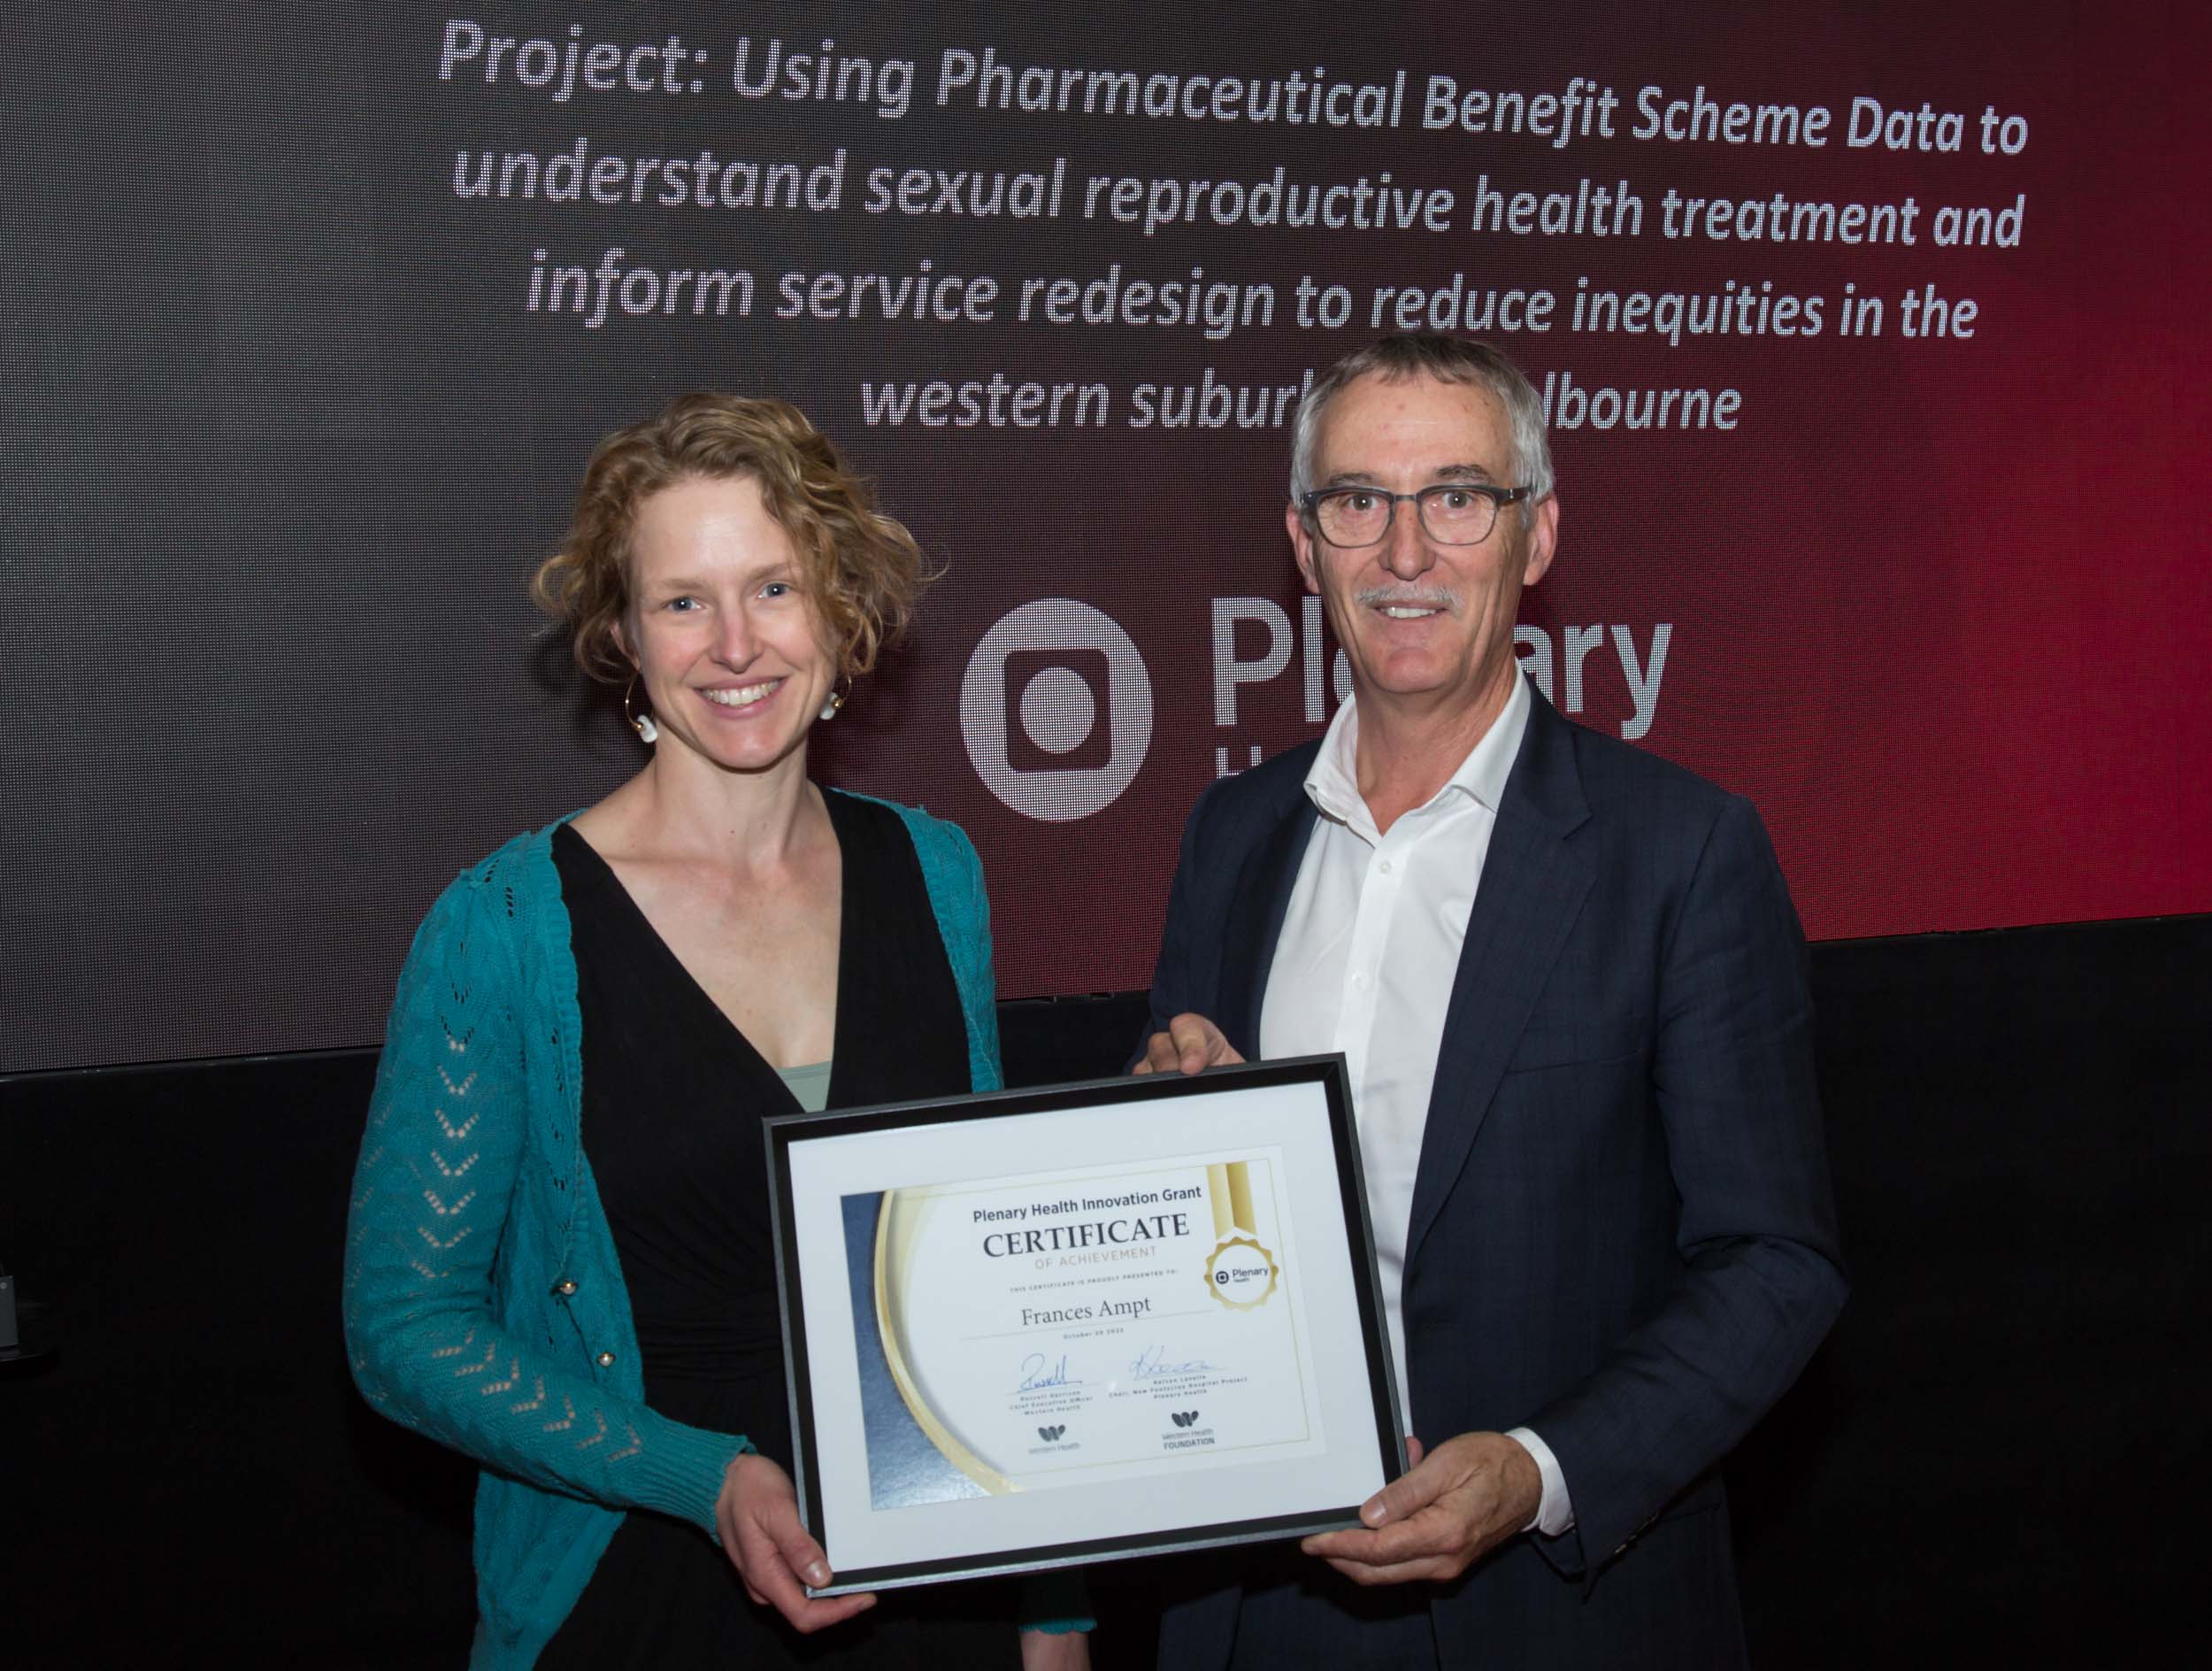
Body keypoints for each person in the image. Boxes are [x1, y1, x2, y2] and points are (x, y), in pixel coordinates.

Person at [343, 394, 1086, 1669]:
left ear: (843, 612)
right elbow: (404, 1332)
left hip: (932, 1597)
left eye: (774, 589)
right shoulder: (506, 929)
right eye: (684, 601)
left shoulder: (936, 872)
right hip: (643, 1592)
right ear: (623, 635)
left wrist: (1054, 1618)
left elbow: (988, 1288)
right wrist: (702, 1477)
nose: (735, 644)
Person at [1138, 335, 1846, 1668]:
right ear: (1304, 545)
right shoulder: (1231, 835)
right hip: (1254, 1606)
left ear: (1536, 538)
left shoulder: (1680, 853)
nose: (1406, 553)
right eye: (1358, 501)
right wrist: (1159, 1122)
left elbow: (1776, 1261)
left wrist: (1539, 1472)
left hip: (1553, 1608)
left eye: (1458, 496)